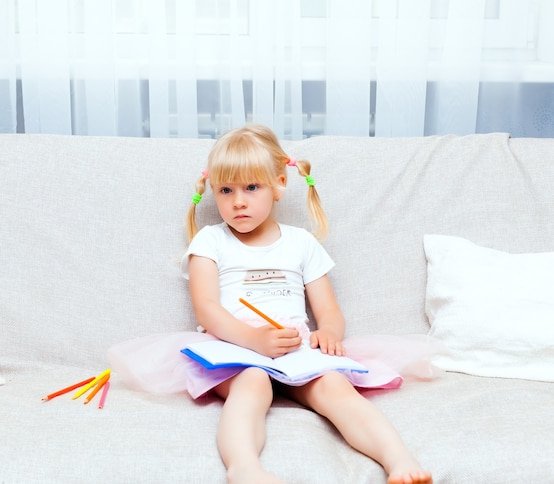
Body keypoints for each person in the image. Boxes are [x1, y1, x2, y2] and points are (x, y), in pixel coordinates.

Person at [108, 124, 438, 484]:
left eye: (252, 187)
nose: (238, 201)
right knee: (253, 384)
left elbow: (328, 310)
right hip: (234, 348)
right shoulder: (210, 241)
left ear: (280, 184)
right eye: (226, 190)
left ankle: (398, 460)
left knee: (334, 388)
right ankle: (245, 469)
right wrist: (254, 340)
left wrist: (329, 332)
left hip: (294, 348)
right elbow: (206, 309)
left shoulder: (301, 243)